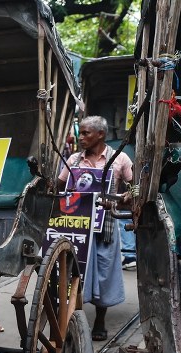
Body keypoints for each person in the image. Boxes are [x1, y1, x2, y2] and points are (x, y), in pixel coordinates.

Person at [58, 115, 133, 341]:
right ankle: (72, 318)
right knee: (74, 272)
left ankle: (99, 321)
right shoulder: (73, 160)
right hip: (77, 225)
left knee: (104, 272)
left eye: (86, 133)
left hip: (105, 227)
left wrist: (124, 197)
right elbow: (60, 186)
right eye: (81, 133)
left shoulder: (119, 159)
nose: (81, 138)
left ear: (100, 134)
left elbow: (135, 187)